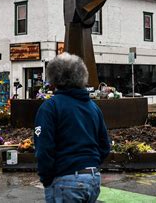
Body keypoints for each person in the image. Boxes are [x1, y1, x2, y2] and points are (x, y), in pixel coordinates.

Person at [34, 52, 111, 203]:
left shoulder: (50, 107)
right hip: (93, 178)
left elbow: (43, 148)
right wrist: (91, 163)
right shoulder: (93, 107)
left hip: (65, 178)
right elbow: (105, 146)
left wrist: (47, 179)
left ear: (54, 79)